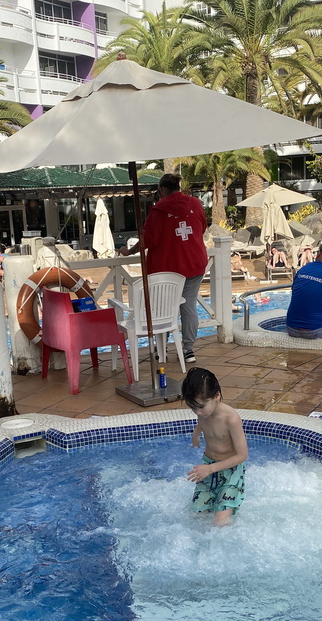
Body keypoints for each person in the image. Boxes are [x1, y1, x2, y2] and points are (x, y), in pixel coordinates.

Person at [119, 173, 208, 363]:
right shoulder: (195, 204)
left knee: (163, 308)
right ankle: (188, 350)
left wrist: (129, 252)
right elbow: (202, 227)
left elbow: (147, 239)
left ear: (161, 190)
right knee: (189, 306)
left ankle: (163, 350)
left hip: (168, 270)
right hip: (195, 264)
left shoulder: (158, 210)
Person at [183, 367, 248, 527]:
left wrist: (210, 469)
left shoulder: (231, 419)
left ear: (217, 396)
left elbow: (242, 455)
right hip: (208, 464)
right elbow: (201, 423)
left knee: (221, 522)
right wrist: (196, 434)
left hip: (230, 471)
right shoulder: (203, 412)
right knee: (197, 516)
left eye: (201, 406)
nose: (197, 412)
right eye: (193, 408)